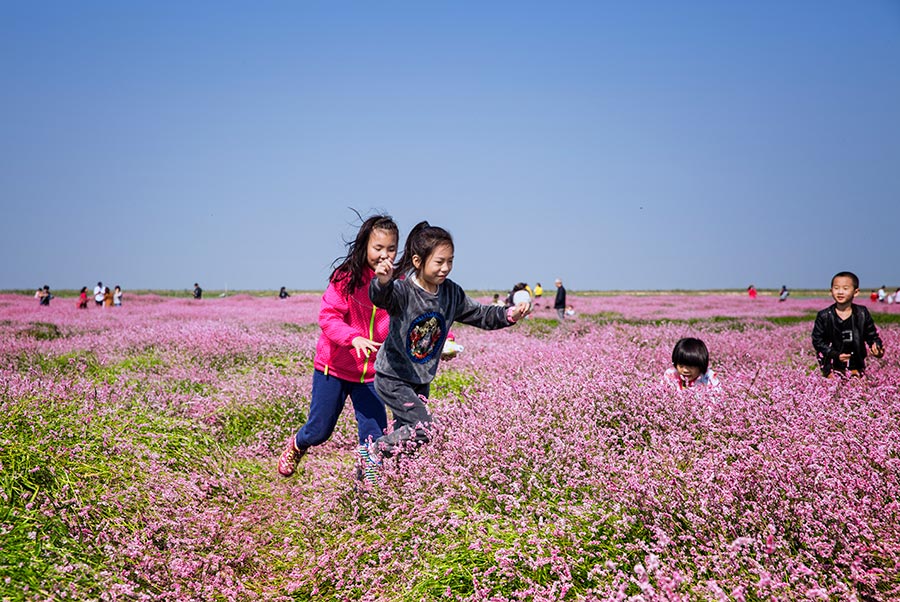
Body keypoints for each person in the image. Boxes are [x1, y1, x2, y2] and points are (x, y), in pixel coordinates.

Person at [367, 221, 531, 463]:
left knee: (409, 442)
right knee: (422, 428)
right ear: (417, 262)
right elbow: (382, 298)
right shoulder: (403, 291)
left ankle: (380, 481)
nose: (446, 268)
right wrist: (382, 282)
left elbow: (480, 314)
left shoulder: (451, 293)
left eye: (450, 261)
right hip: (393, 377)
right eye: (439, 262)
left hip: (421, 379)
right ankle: (373, 451)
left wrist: (509, 314)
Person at [278, 215, 400, 482]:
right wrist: (352, 338)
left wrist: (443, 338)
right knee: (319, 431)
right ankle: (298, 443)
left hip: (371, 374)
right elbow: (328, 317)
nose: (384, 255)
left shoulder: (397, 283)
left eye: (391, 249)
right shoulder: (346, 277)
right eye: (378, 248)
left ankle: (367, 487)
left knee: (374, 434)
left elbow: (420, 310)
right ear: (365, 246)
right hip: (332, 368)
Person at [812, 271, 884, 378]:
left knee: (857, 389)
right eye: (836, 288)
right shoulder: (824, 315)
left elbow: (872, 336)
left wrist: (877, 348)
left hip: (857, 365)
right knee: (833, 390)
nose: (840, 292)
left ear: (856, 292)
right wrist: (835, 354)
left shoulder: (862, 313)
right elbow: (817, 341)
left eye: (845, 288)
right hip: (832, 366)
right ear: (831, 291)